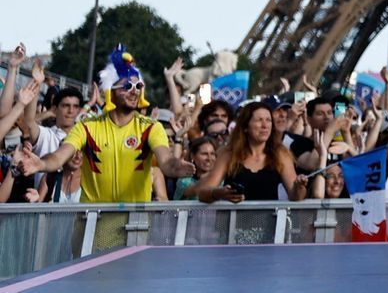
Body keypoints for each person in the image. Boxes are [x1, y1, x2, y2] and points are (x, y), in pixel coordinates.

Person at [16, 58, 192, 205]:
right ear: (111, 91)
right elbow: (59, 156)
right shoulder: (87, 127)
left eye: (138, 86)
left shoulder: (151, 127)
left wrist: (176, 167)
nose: (134, 91)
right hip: (93, 227)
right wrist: (41, 164)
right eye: (126, 86)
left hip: (134, 226)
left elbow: (166, 160)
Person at [195, 101, 298, 203]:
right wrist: (220, 193)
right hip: (234, 219)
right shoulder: (229, 154)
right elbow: (203, 193)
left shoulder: (280, 154)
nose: (265, 125)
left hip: (269, 219)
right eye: (259, 120)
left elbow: (295, 195)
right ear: (245, 127)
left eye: (268, 120)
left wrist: (300, 185)